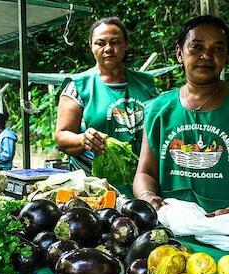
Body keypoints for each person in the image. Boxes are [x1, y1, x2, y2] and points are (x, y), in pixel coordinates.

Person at [133, 15, 229, 217]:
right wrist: (148, 197)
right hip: (170, 222)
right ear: (179, 53)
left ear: (226, 56)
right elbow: (144, 172)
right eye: (197, 46)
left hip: (228, 227)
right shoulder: (158, 109)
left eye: (218, 49)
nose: (206, 55)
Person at [55, 17, 158, 176]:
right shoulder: (78, 87)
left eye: (115, 42)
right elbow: (61, 137)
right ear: (91, 46)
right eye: (100, 43)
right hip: (95, 185)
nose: (108, 48)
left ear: (125, 45)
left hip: (144, 180)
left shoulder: (147, 84)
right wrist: (84, 139)